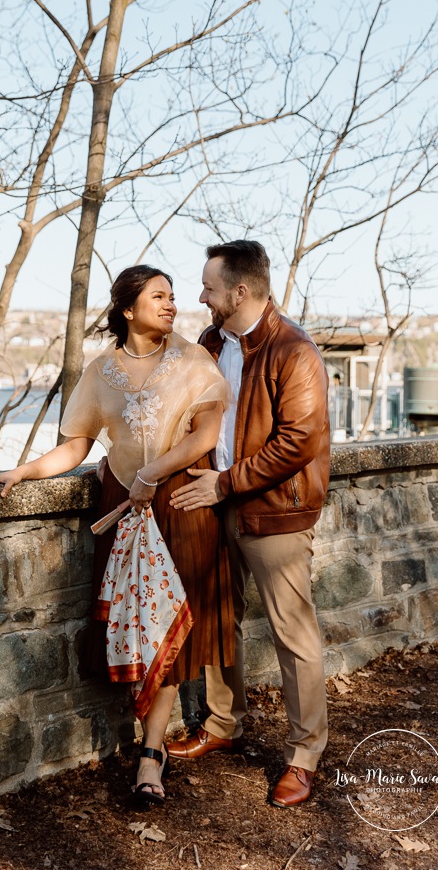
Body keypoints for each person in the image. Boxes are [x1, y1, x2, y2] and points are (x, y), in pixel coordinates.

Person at [0, 265, 234, 808]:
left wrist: (150, 475)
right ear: (128, 309)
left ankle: (150, 755)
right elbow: (76, 447)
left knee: (170, 629)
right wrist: (22, 472)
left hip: (181, 502)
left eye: (174, 297)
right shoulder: (101, 370)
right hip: (122, 507)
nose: (172, 305)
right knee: (132, 625)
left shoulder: (192, 360)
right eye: (159, 297)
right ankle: (142, 735)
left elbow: (206, 433)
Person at [167, 240, 331, 808]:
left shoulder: (294, 350)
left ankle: (305, 756)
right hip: (216, 506)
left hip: (276, 511)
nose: (201, 296)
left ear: (239, 292)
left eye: (209, 287)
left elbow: (298, 441)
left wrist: (225, 482)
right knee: (218, 618)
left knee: (293, 631)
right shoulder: (211, 344)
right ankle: (222, 724)